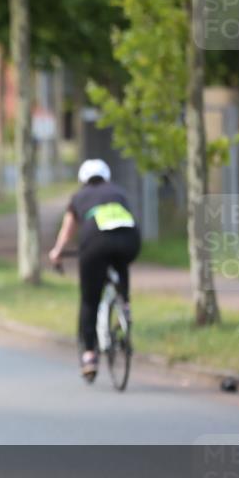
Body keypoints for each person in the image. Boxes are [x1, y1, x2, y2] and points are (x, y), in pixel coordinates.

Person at [49, 158, 141, 378]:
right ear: (107, 177)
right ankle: (124, 304)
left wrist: (57, 252)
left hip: (96, 243)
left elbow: (68, 229)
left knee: (90, 300)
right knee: (119, 261)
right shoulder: (118, 192)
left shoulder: (79, 196)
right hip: (130, 241)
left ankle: (89, 354)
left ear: (83, 180)